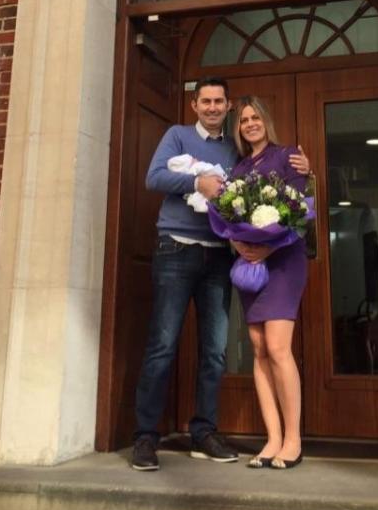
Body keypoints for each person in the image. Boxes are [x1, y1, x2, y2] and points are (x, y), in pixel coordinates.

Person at [131, 78, 309, 472]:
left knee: (215, 351)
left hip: (219, 258)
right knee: (162, 345)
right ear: (194, 104)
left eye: (219, 102)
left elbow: (278, 191)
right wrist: (197, 182)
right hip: (175, 249)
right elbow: (153, 177)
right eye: (205, 101)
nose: (212, 107)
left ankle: (204, 432)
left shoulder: (236, 151)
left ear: (227, 107)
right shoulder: (176, 135)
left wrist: (305, 170)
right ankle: (145, 438)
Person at [229, 95, 310, 470]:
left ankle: (293, 439)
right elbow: (228, 218)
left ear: (266, 120)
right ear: (239, 128)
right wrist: (239, 243)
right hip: (252, 267)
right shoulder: (239, 168)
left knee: (278, 347)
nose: (250, 124)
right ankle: (272, 438)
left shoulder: (288, 155)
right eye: (244, 120)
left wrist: (268, 248)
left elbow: (300, 210)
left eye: (255, 117)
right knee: (259, 349)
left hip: (284, 263)